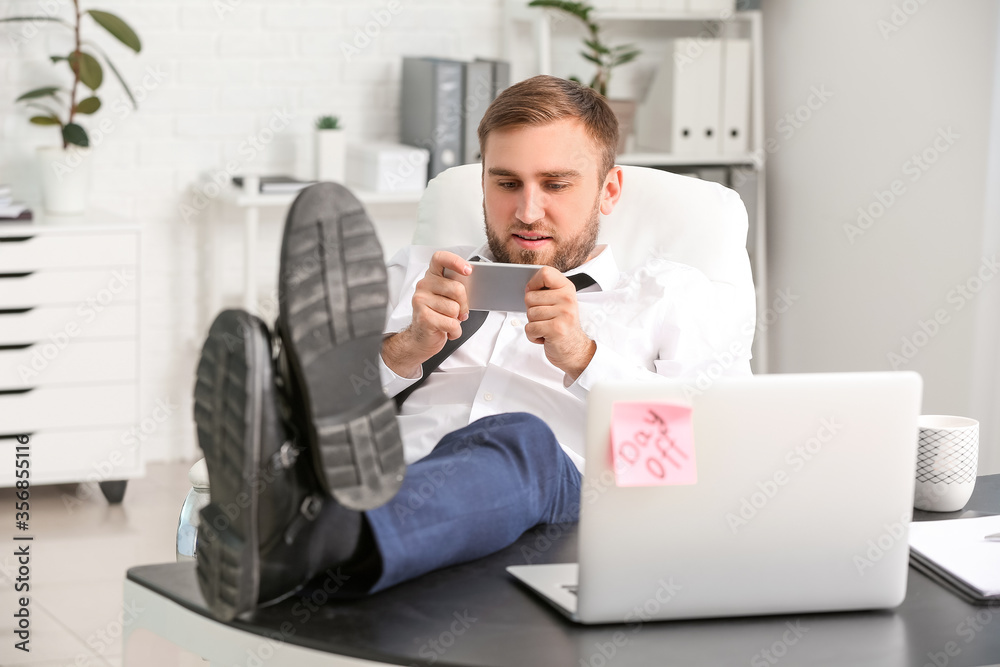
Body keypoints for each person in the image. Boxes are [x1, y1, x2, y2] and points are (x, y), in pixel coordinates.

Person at [193, 75, 752, 621]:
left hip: (555, 502)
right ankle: (302, 500)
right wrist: (404, 349)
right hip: (395, 478)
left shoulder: (669, 298)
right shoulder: (416, 274)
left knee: (522, 437)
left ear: (609, 191)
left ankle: (305, 535)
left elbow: (701, 462)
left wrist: (584, 358)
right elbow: (337, 401)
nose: (528, 212)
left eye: (555, 185)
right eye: (506, 183)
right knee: (327, 394)